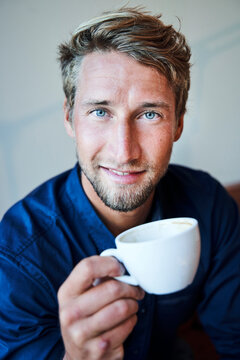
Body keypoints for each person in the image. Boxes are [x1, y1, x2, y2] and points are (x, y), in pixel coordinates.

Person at [0, 6, 239, 360]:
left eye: (149, 114)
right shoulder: (17, 256)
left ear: (177, 124)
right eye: (100, 112)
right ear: (69, 118)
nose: (124, 151)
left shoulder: (209, 206)